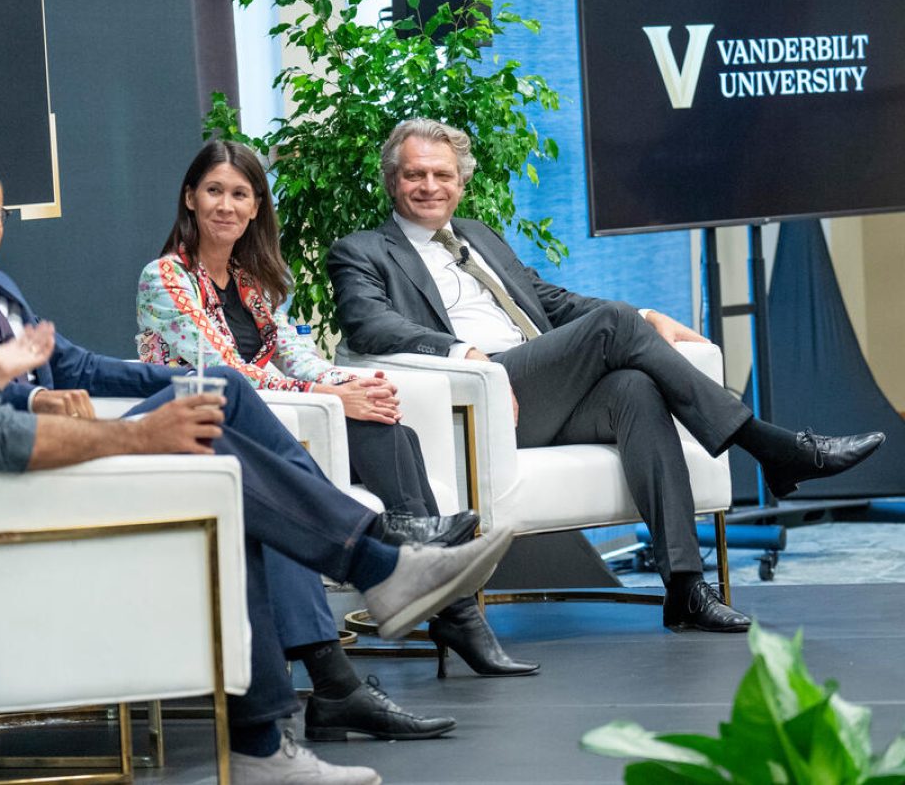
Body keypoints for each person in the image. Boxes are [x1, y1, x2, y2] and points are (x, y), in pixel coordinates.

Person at [0, 157, 519, 785]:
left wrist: (0, 381)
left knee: (217, 413)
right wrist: (140, 436)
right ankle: (364, 580)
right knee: (211, 451)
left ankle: (349, 605)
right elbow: (2, 442)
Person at [328, 118, 886, 634]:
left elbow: (548, 300)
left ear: (461, 182)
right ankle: (768, 444)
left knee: (636, 388)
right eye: (414, 174)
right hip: (482, 395)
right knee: (614, 324)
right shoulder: (362, 251)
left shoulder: (480, 237)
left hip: (542, 389)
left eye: (441, 174)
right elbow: (370, 325)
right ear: (391, 181)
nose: (429, 185)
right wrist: (461, 350)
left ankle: (686, 588)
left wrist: (647, 318)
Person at [136, 139, 537, 679]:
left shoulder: (253, 283)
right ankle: (436, 583)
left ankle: (432, 578)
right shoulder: (165, 277)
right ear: (190, 198)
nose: (225, 206)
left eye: (239, 194)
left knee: (387, 424)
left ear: (257, 206)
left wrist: (355, 384)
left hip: (281, 423)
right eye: (213, 192)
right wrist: (329, 396)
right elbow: (225, 371)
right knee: (372, 426)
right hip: (218, 433)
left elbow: (298, 359)